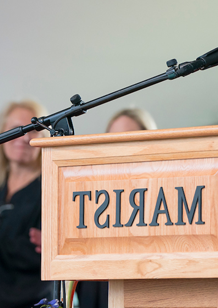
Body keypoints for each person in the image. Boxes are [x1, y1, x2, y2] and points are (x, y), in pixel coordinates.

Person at [75, 107, 157, 308]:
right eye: (113, 137)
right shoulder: (90, 188)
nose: (120, 144)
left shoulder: (160, 187)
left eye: (129, 137)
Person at [0, 100, 53, 308]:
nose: (24, 137)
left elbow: (42, 253)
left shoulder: (53, 189)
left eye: (33, 129)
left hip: (33, 300)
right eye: (15, 129)